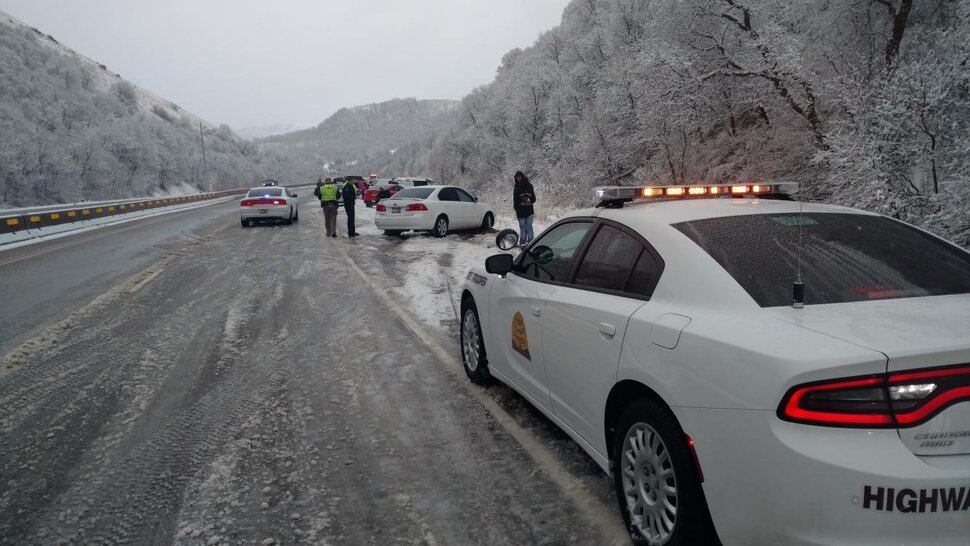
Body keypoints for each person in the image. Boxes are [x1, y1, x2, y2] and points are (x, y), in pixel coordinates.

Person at [512, 171, 536, 245]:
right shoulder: (516, 187)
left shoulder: (529, 186)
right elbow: (515, 200)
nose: (518, 178)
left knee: (529, 227)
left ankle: (531, 242)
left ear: (522, 176)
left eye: (519, 176)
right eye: (517, 177)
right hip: (520, 212)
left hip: (529, 211)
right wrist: (516, 208)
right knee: (522, 227)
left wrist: (528, 199)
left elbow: (534, 199)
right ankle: (522, 242)